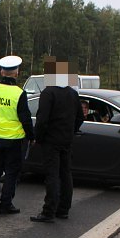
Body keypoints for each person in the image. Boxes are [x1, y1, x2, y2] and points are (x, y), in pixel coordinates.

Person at [30, 57, 84, 223]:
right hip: (67, 140)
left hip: (51, 141)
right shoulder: (73, 94)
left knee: (52, 175)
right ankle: (63, 209)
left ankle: (48, 212)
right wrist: (71, 131)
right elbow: (80, 118)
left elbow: (42, 120)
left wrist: (38, 138)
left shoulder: (48, 93)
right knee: (66, 174)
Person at [0, 55, 34, 215]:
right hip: (14, 139)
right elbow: (25, 118)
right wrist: (31, 136)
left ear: (1, 71)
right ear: (17, 73)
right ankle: (6, 203)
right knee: (11, 172)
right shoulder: (19, 93)